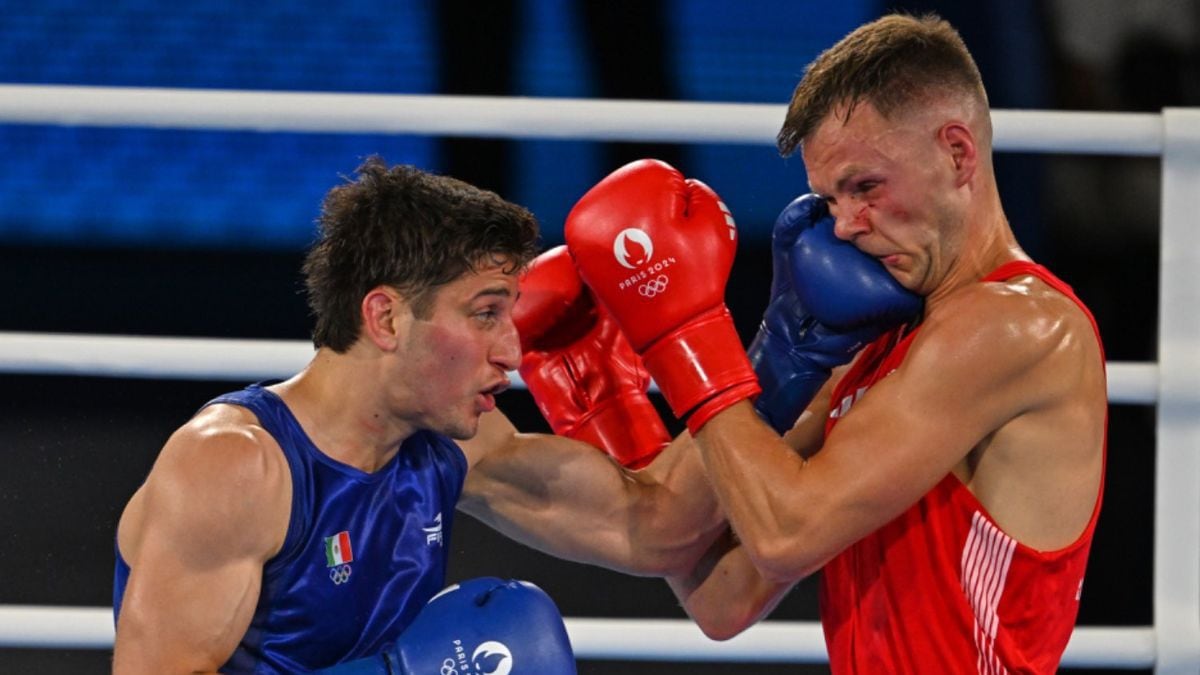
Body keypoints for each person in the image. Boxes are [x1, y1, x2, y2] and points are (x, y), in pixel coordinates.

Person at [566, 13, 1107, 674]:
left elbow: (786, 533)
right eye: (828, 198)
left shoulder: (1014, 326)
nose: (846, 226)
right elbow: (722, 596)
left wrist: (687, 333)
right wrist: (610, 403)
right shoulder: (881, 345)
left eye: (866, 187)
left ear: (959, 154)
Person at [110, 156, 730, 674]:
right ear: (385, 318)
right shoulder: (237, 466)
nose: (513, 352)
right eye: (486, 313)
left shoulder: (455, 443)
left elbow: (657, 528)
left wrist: (790, 346)